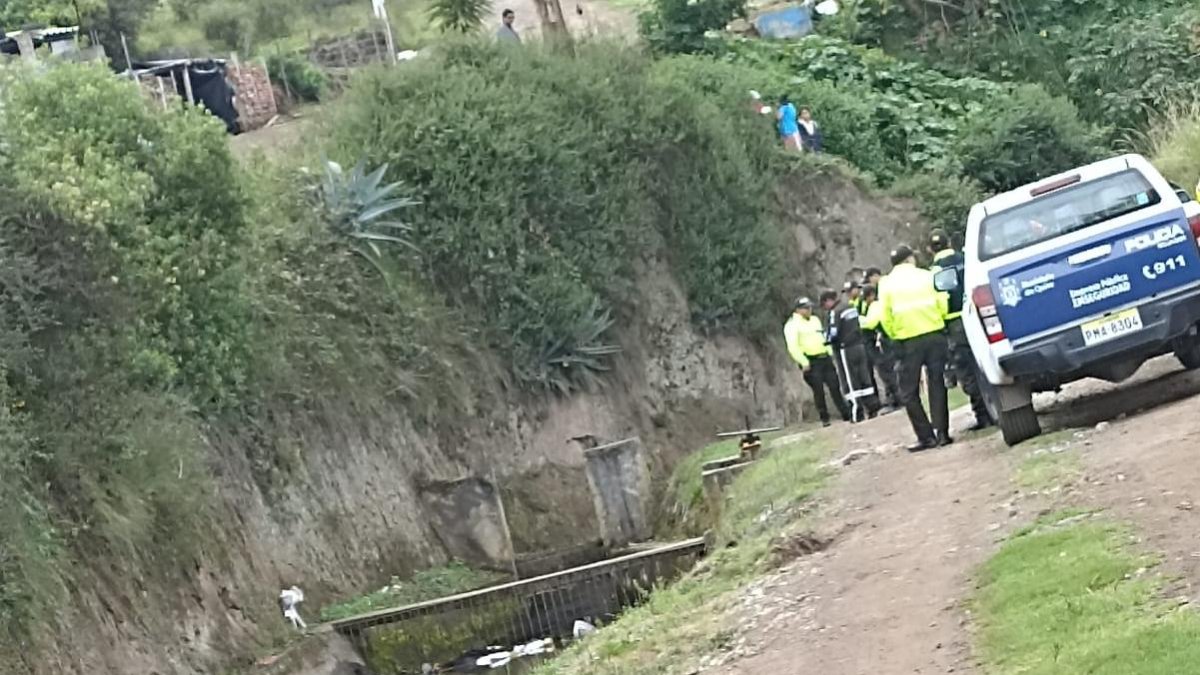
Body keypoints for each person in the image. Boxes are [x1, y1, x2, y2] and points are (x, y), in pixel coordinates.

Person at [878, 245, 951, 451]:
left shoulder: (886, 284)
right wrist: (939, 321)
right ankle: (943, 433)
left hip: (907, 341)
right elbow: (942, 302)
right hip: (935, 334)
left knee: (908, 391)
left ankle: (925, 436)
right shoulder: (926, 276)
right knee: (937, 383)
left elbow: (885, 316)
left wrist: (894, 335)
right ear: (910, 259)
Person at [928, 229, 994, 432]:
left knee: (966, 370)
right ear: (949, 242)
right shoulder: (967, 259)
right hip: (976, 316)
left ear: (930, 249)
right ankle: (997, 404)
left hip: (954, 324)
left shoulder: (933, 271)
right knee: (985, 361)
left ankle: (983, 415)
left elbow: (937, 300)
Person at [785, 296, 851, 426]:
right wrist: (803, 361)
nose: (809, 310)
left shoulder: (815, 320)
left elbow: (822, 337)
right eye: (805, 308)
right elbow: (793, 346)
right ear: (798, 310)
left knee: (835, 386)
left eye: (809, 307)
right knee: (818, 390)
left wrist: (830, 352)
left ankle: (845, 413)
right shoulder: (792, 325)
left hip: (824, 357)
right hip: (810, 361)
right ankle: (824, 418)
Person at [820, 289, 880, 422]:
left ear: (828, 301)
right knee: (864, 377)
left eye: (824, 305)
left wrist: (825, 338)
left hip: (845, 349)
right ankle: (872, 407)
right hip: (859, 345)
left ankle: (856, 412)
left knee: (850, 380)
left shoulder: (835, 312)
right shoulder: (851, 307)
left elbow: (833, 333)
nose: (825, 308)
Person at [860, 269, 901, 412]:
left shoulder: (876, 305)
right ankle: (893, 399)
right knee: (886, 372)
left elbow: (871, 323)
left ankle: (897, 399)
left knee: (888, 371)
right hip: (881, 342)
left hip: (883, 342)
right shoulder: (874, 305)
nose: (865, 301)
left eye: (866, 298)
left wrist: (858, 321)